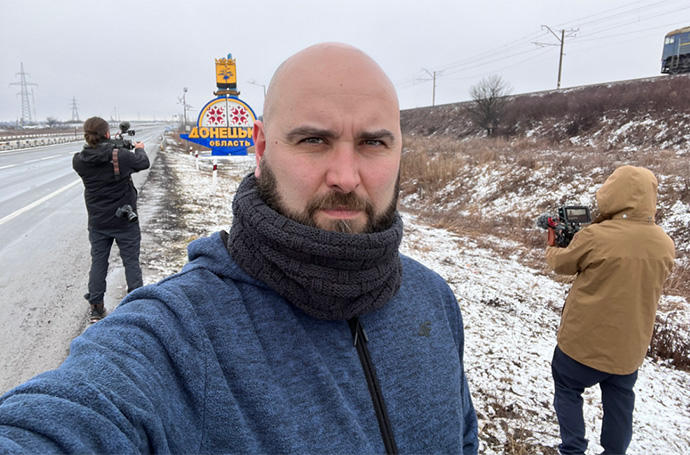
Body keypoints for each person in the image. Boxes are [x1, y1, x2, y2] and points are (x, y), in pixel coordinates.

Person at [0, 43, 478, 453]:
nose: (346, 177)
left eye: (374, 143)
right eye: (313, 140)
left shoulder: (433, 300)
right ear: (262, 147)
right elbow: (70, 418)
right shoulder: (179, 335)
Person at [545, 165, 675, 454]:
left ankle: (573, 448)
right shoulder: (665, 244)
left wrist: (553, 244)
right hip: (629, 349)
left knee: (567, 387)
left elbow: (561, 264)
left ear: (612, 194)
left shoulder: (595, 236)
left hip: (581, 344)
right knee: (620, 401)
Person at [72, 116, 150, 322]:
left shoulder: (79, 160)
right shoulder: (120, 156)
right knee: (131, 261)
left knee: (98, 262)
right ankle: (136, 304)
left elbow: (98, 158)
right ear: (107, 134)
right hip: (124, 219)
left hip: (98, 221)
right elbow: (143, 162)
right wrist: (139, 148)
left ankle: (96, 307)